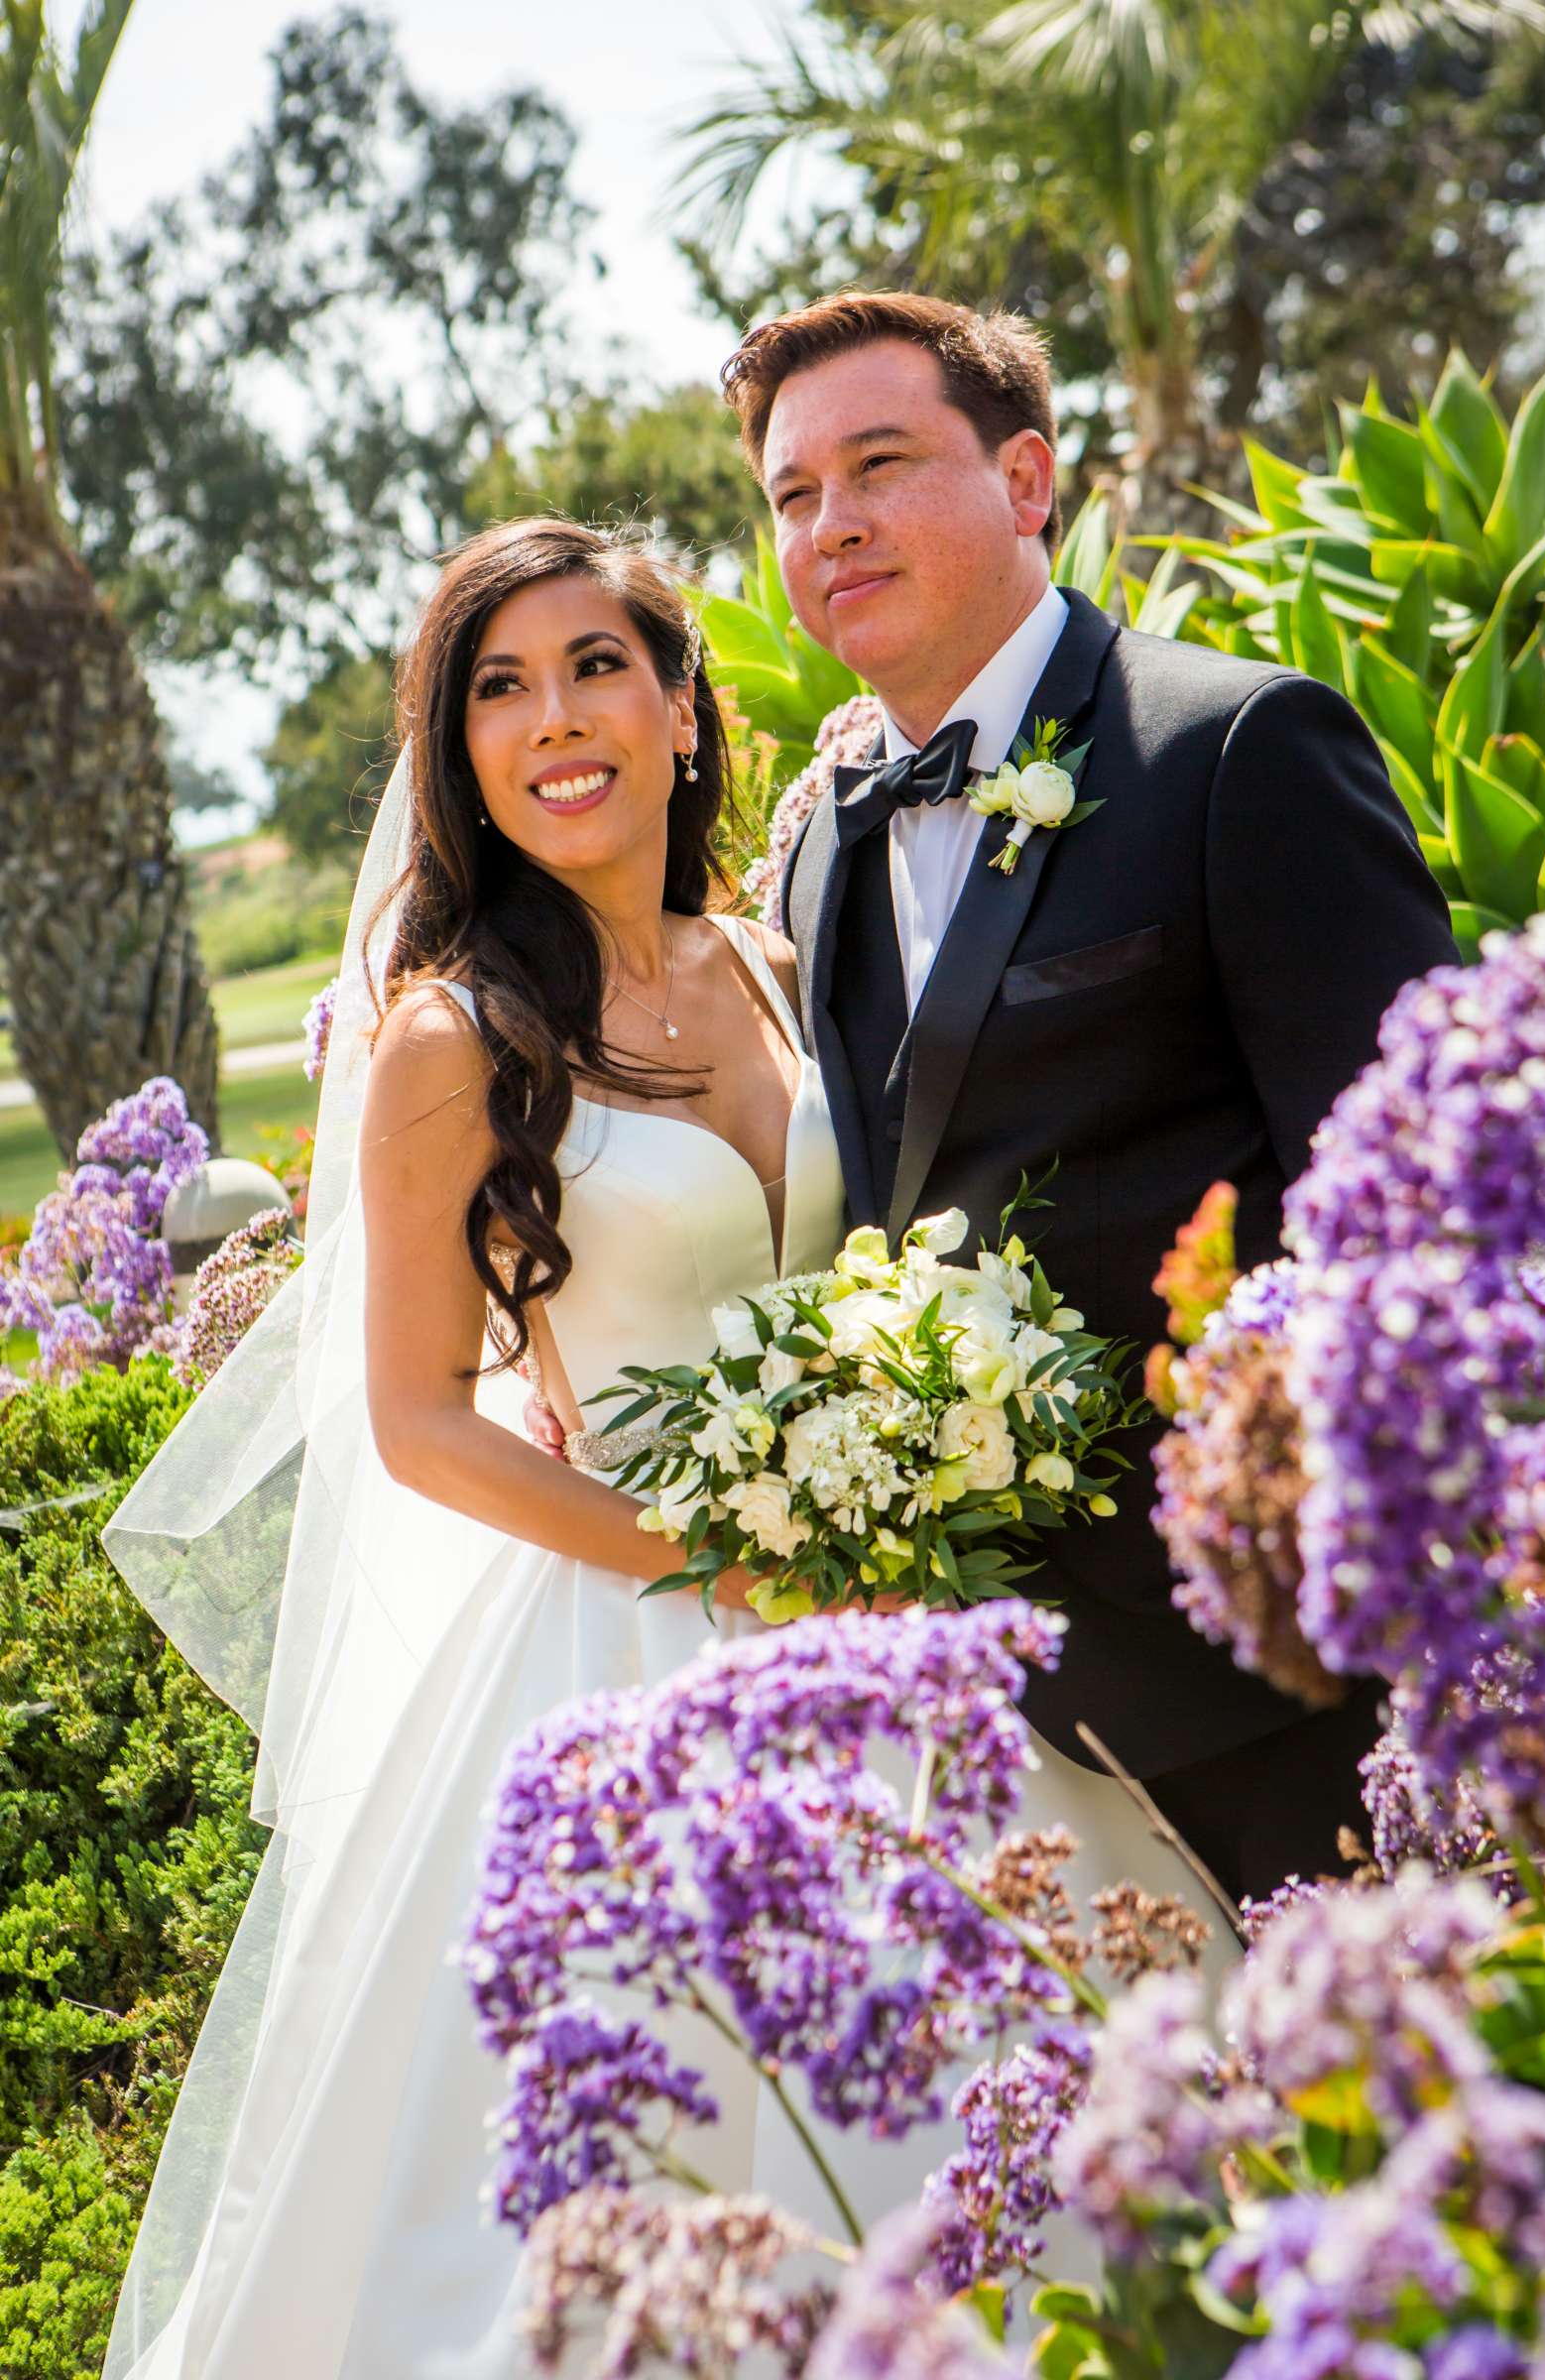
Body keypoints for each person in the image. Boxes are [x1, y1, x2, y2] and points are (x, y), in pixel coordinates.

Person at [100, 517, 1233, 2380]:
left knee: (1051, 2086)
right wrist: (718, 1561)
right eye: (500, 687)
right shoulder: (450, 1040)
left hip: (886, 1609)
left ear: (687, 705)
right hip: (627, 1636)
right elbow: (416, 1422)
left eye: (599, 667)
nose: (558, 719)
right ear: (458, 751)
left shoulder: (778, 956)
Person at [726, 291, 1461, 1906]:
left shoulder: (1238, 750)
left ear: (1029, 479)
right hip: (988, 1717)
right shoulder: (822, 844)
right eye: (793, 496)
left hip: (1278, 1681)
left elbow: (1420, 1209)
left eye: (881, 463)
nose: (832, 524)